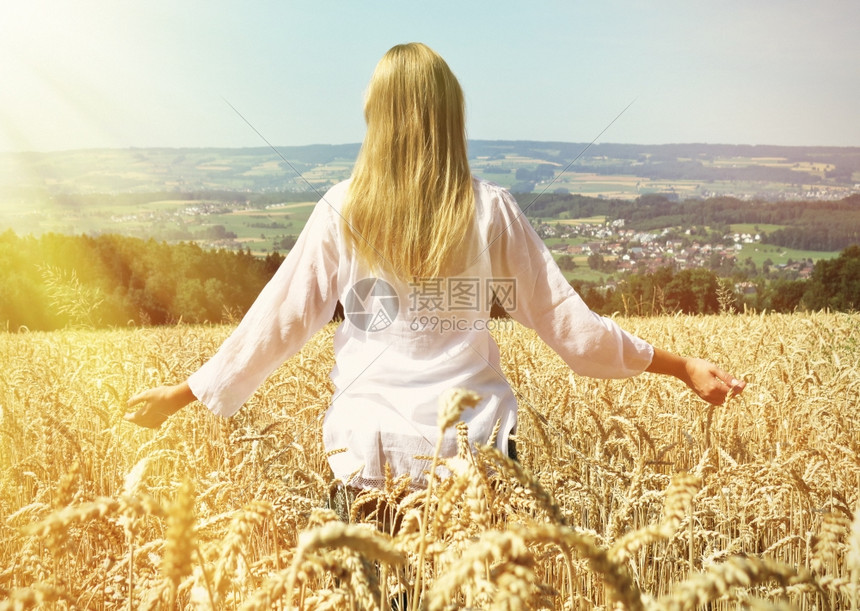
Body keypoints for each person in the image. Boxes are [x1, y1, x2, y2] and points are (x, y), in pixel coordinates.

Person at [126, 42, 745, 490]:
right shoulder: (492, 210)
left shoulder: (342, 208)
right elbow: (575, 333)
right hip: (478, 458)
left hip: (369, 460)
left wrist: (183, 394)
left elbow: (279, 321)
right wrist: (680, 366)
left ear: (377, 119)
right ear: (451, 119)